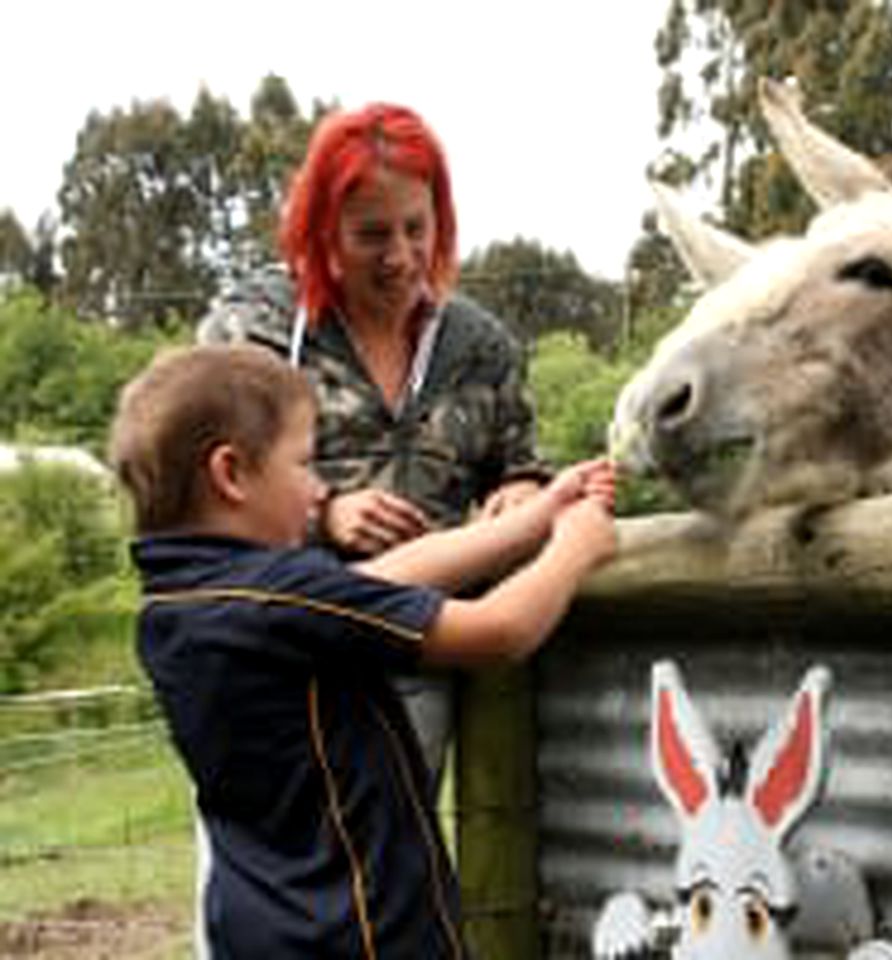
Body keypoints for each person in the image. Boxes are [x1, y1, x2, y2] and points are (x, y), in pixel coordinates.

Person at [110, 343, 616, 957]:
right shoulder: (281, 596)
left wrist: (535, 516)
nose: (320, 489)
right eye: (303, 463)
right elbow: (498, 630)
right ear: (231, 474)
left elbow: (383, 575)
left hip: (259, 925)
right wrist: (576, 547)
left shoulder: (175, 607)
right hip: (365, 930)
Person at [197, 102, 545, 802]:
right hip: (282, 652)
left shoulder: (477, 345)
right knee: (285, 869)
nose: (401, 257)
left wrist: (523, 492)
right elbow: (200, 487)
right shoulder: (253, 326)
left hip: (418, 649)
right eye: (372, 235)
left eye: (418, 229)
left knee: (388, 870)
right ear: (323, 229)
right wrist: (323, 516)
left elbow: (519, 457)